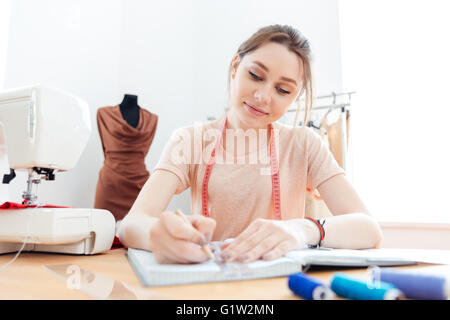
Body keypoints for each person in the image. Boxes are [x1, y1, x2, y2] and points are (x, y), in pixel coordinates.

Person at [118, 24, 382, 264]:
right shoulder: (190, 140)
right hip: (212, 289)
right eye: (255, 75)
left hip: (279, 288)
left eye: (283, 90)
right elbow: (130, 225)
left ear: (295, 98)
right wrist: (157, 235)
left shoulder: (304, 144)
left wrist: (301, 229)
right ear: (235, 67)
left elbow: (369, 229)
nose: (263, 96)